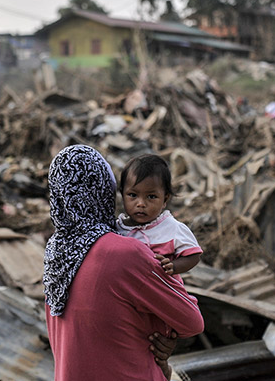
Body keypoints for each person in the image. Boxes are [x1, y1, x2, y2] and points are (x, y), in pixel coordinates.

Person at [43, 145, 204, 381]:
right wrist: (165, 337)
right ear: (105, 192)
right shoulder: (126, 252)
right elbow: (192, 322)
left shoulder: (56, 253)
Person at [117, 154, 202, 281]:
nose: (141, 203)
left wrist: (173, 266)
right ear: (122, 194)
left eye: (151, 197)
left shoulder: (171, 228)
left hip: (161, 292)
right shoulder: (117, 229)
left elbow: (193, 255)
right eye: (132, 195)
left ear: (165, 199)